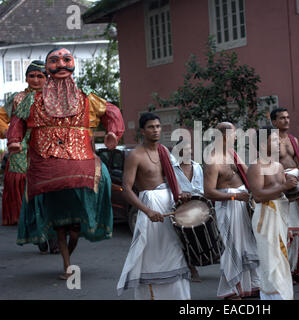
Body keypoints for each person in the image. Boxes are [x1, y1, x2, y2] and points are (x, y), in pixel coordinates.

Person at [7, 48, 125, 279]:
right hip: (45, 160)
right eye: (54, 60)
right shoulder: (29, 98)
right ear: (48, 67)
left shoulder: (86, 94)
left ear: (73, 63)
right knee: (53, 213)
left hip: (81, 159)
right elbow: (18, 121)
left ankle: (74, 241)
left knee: (104, 179)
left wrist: (113, 132)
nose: (61, 64)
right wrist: (13, 140)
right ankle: (63, 257)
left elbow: (111, 110)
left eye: (66, 59)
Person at [117, 113, 191, 300]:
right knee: (151, 257)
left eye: (158, 126)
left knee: (175, 253)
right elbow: (126, 189)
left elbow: (175, 180)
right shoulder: (135, 155)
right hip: (150, 209)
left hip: (168, 208)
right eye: (151, 127)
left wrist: (181, 195)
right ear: (142, 131)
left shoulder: (164, 151)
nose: (156, 130)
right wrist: (147, 210)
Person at [0, 61, 58, 253]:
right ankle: (38, 234)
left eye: (40, 76)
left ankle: (55, 236)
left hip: (50, 151)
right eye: (32, 76)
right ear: (26, 78)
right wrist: (11, 133)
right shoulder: (17, 99)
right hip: (22, 154)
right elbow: (1, 118)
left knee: (52, 194)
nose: (35, 80)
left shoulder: (56, 98)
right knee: (31, 197)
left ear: (47, 78)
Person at [203, 122, 259, 300]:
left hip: (241, 203)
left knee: (247, 244)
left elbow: (248, 173)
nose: (236, 137)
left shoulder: (232, 154)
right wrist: (234, 197)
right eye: (235, 134)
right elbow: (208, 192)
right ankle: (227, 290)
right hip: (227, 206)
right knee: (230, 247)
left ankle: (252, 284)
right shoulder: (213, 160)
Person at [247, 126, 296, 300]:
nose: (279, 142)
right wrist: (284, 186)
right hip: (265, 218)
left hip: (280, 216)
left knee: (282, 260)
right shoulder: (256, 167)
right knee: (270, 262)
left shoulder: (279, 166)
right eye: (274, 139)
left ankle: (284, 296)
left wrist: (295, 188)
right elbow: (259, 196)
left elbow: (284, 194)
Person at [270, 108, 299, 284]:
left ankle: (298, 271)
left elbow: (297, 163)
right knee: (284, 231)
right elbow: (269, 168)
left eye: (288, 117)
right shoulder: (270, 142)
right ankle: (285, 271)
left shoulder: (293, 140)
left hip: (294, 186)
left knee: (298, 230)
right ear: (274, 122)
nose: (286, 121)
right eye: (282, 118)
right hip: (280, 189)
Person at [171, 138, 204, 282]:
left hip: (199, 206)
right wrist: (180, 196)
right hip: (181, 207)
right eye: (185, 149)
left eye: (190, 149)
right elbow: (170, 189)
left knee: (202, 237)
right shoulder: (172, 169)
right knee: (184, 239)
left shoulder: (197, 167)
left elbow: (202, 188)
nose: (189, 152)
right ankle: (192, 269)